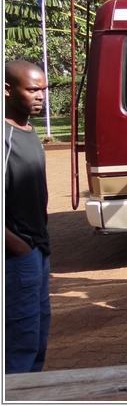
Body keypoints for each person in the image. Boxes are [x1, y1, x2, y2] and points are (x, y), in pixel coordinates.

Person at [5, 60, 51, 373]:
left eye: (44, 90)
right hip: (16, 256)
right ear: (7, 90)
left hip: (38, 249)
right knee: (18, 344)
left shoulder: (28, 129)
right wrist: (19, 246)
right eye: (32, 89)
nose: (40, 96)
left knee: (36, 339)